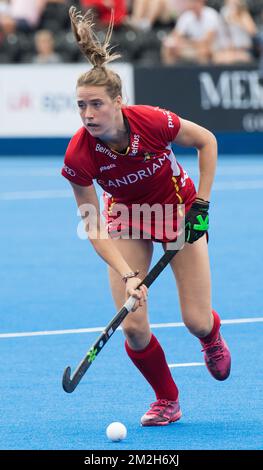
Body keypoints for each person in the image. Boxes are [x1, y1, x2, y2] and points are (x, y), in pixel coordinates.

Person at [61, 6, 231, 426]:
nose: (87, 115)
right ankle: (167, 399)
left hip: (177, 211)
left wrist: (202, 206)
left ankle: (210, 335)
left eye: (96, 105)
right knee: (133, 327)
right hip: (126, 218)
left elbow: (206, 141)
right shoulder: (79, 155)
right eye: (81, 106)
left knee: (194, 320)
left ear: (118, 103)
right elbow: (93, 224)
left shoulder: (151, 122)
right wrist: (126, 275)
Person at [161, 0, 220, 65]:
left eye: (196, 2)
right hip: (191, 47)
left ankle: (201, 72)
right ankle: (169, 73)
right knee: (169, 49)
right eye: (191, 2)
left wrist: (187, 42)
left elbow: (207, 41)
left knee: (203, 50)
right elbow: (176, 36)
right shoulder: (186, 16)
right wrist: (184, 43)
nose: (193, 4)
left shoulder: (211, 14)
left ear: (201, 2)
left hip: (213, 47)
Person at [212, 0, 257, 64]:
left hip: (245, 49)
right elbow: (223, 34)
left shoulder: (243, 13)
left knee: (230, 59)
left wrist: (237, 20)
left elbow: (253, 32)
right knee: (218, 57)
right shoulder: (224, 12)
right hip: (230, 49)